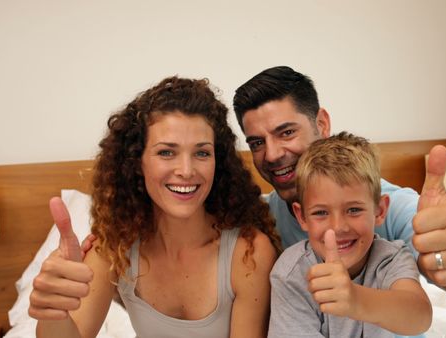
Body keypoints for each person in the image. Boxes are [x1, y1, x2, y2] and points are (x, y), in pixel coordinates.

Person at [233, 66, 446, 316]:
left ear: (322, 124)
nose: (271, 155)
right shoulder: (263, 218)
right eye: (257, 143)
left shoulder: (397, 207)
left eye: (286, 133)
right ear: (301, 216)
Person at [28, 76, 280, 338]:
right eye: (166, 152)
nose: (186, 170)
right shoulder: (116, 247)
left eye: (202, 153)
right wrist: (53, 310)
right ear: (137, 162)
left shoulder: (249, 253)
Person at [269, 132, 432, 337]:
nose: (338, 227)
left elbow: (420, 316)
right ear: (301, 217)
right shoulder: (290, 274)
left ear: (380, 210)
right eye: (321, 213)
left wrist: (356, 299)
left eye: (354, 210)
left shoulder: (391, 258)